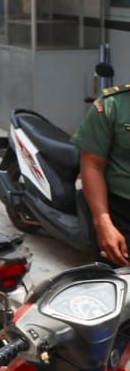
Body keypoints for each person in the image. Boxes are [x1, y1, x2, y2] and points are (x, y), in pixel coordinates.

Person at [73, 83, 130, 266]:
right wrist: (103, 223)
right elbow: (92, 165)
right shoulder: (112, 104)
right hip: (121, 214)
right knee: (119, 279)